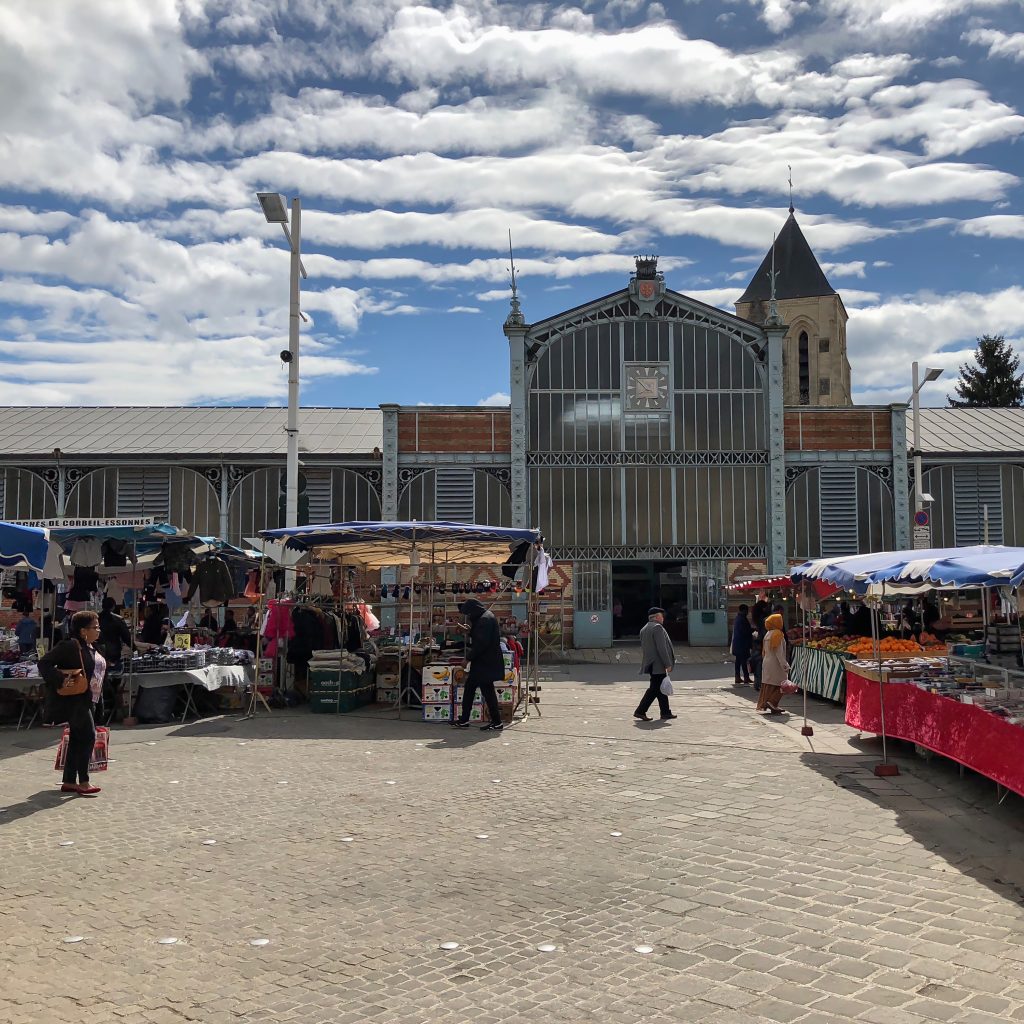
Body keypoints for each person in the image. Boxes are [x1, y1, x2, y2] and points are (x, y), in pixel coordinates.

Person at [38, 610, 105, 796]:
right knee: (88, 737)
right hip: (74, 701)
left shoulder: (91, 647)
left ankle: (69, 781)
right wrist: (60, 678)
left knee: (77, 739)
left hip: (86, 699)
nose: (98, 630)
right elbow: (44, 663)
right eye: (95, 627)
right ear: (83, 630)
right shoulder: (69, 646)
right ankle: (84, 782)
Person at [452, 598, 506, 731]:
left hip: (485, 663)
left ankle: (496, 722)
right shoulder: (485, 617)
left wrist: (467, 659)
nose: (468, 616)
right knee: (474, 688)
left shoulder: (484, 620)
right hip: (484, 663)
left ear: (473, 611)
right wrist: (468, 631)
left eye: (469, 613)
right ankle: (465, 719)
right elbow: (479, 636)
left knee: (485, 691)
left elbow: (481, 643)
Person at [634, 607, 677, 722]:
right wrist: (667, 663)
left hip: (651, 663)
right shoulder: (657, 628)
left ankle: (666, 712)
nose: (663, 619)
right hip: (658, 664)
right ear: (657, 617)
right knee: (654, 689)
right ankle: (640, 711)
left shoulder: (644, 628)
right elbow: (661, 648)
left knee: (659, 688)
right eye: (662, 616)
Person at [756, 613, 789, 716]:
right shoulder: (777, 634)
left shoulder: (768, 634)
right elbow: (779, 653)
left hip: (767, 662)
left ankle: (771, 704)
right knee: (783, 684)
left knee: (769, 684)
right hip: (775, 663)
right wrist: (785, 665)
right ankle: (772, 702)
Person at [730, 604, 753, 685]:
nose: (747, 612)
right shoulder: (742, 619)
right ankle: (746, 677)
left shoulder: (738, 618)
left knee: (738, 661)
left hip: (738, 643)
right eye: (746, 611)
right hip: (742, 644)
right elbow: (745, 631)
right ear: (744, 610)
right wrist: (752, 631)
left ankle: (738, 677)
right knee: (743, 661)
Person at [750, 600, 770, 691]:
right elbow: (763, 633)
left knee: (758, 664)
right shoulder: (763, 619)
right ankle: (759, 684)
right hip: (761, 644)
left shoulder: (756, 618)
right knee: (760, 665)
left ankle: (757, 683)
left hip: (756, 645)